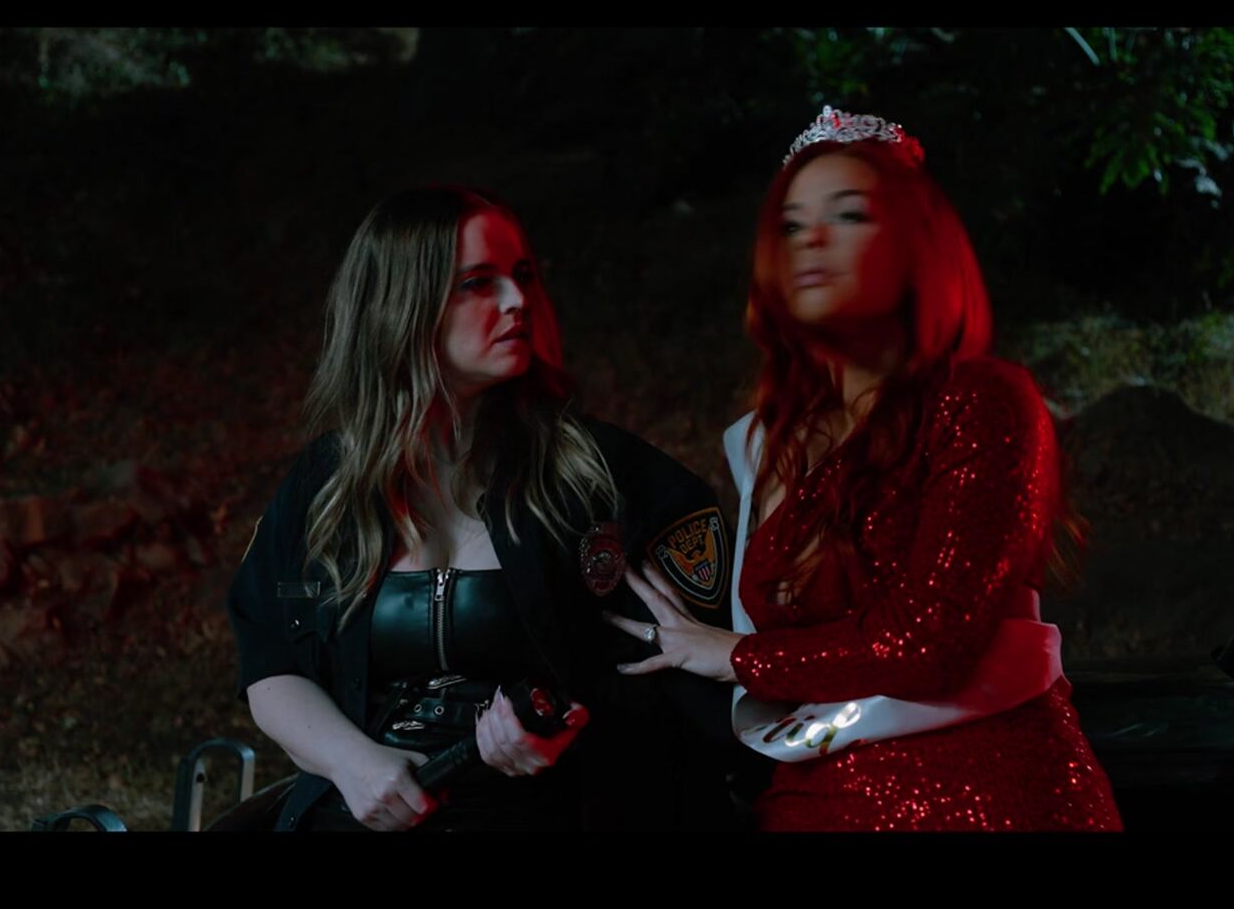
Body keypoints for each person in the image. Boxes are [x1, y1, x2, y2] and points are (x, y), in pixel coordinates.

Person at [607, 108, 1123, 831]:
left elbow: (927, 642)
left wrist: (739, 656)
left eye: (848, 214)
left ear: (916, 244)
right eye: (791, 225)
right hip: (808, 797)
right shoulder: (768, 442)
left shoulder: (981, 401)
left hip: (982, 793)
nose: (812, 238)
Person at [225, 185, 739, 831]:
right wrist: (353, 762)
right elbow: (270, 663)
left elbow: (689, 682)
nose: (517, 300)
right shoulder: (327, 484)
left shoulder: (605, 479)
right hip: (357, 813)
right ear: (401, 306)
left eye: (522, 275)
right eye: (477, 283)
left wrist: (575, 730)